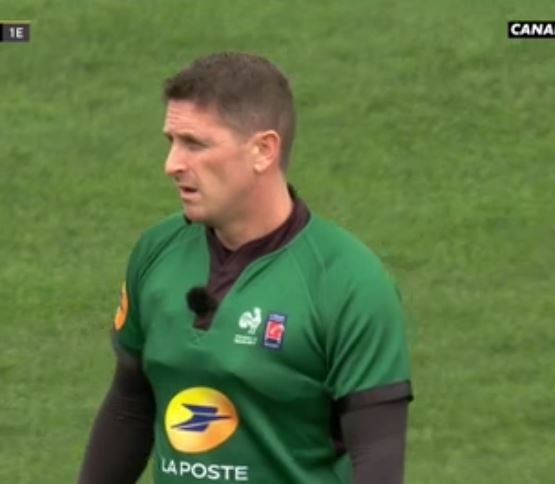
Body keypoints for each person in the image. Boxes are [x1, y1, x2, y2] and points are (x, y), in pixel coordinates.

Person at [78, 52, 413, 484]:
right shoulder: (157, 252)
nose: (172, 164)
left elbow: (377, 459)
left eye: (195, 144)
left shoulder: (349, 283)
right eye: (171, 142)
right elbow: (130, 405)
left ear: (262, 150)